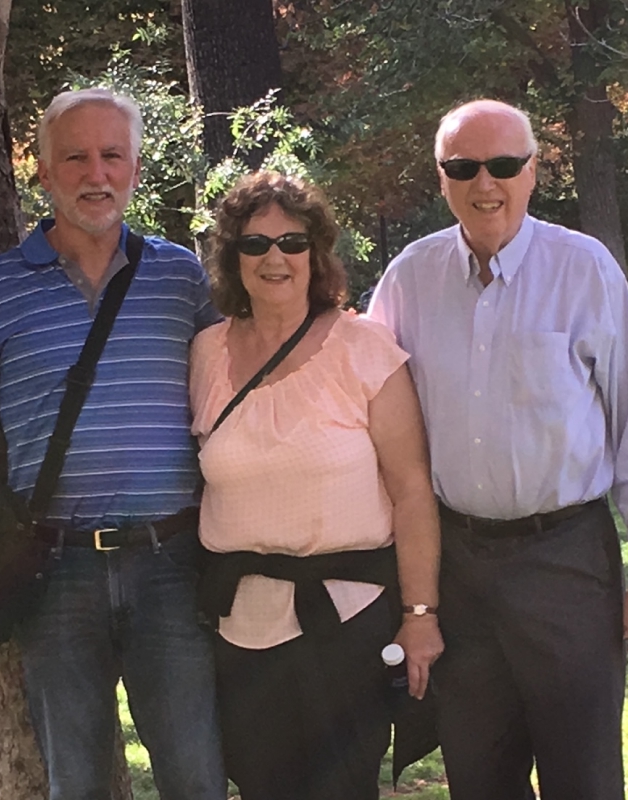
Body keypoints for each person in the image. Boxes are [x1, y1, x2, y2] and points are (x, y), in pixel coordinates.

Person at [0, 88, 227, 800]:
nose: (97, 174)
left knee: (197, 778)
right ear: (45, 174)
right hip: (52, 574)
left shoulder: (181, 277)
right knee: (75, 785)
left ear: (136, 169)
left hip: (172, 567)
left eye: (112, 155)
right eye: (76, 157)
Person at [368, 98, 628, 800]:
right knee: (480, 776)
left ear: (533, 172)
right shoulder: (408, 280)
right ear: (441, 177)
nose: (486, 184)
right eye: (465, 167)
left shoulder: (583, 269)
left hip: (564, 564)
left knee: (584, 776)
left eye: (505, 165)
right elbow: (361, 404)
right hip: (458, 570)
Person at [189, 170, 443, 800]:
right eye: (255, 244)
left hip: (346, 621)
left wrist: (419, 615)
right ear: (232, 257)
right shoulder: (205, 354)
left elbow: (412, 491)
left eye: (292, 242)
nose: (275, 257)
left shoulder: (364, 348)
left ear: (316, 252)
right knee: (261, 785)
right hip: (239, 624)